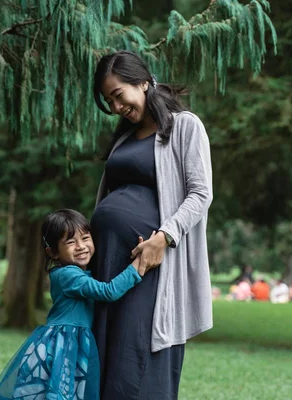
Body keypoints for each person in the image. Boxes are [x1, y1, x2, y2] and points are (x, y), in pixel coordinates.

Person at [90, 50, 213, 399]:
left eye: (118, 95)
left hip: (150, 264)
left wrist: (164, 238)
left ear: (143, 82)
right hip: (109, 264)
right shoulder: (126, 139)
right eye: (108, 101)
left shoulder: (184, 126)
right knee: (107, 354)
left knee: (137, 353)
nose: (115, 107)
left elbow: (201, 193)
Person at [0, 209, 151, 400]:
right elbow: (108, 291)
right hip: (64, 342)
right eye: (71, 242)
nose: (81, 246)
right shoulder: (67, 275)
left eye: (85, 238)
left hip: (73, 341)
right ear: (53, 252)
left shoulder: (80, 273)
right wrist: (139, 264)